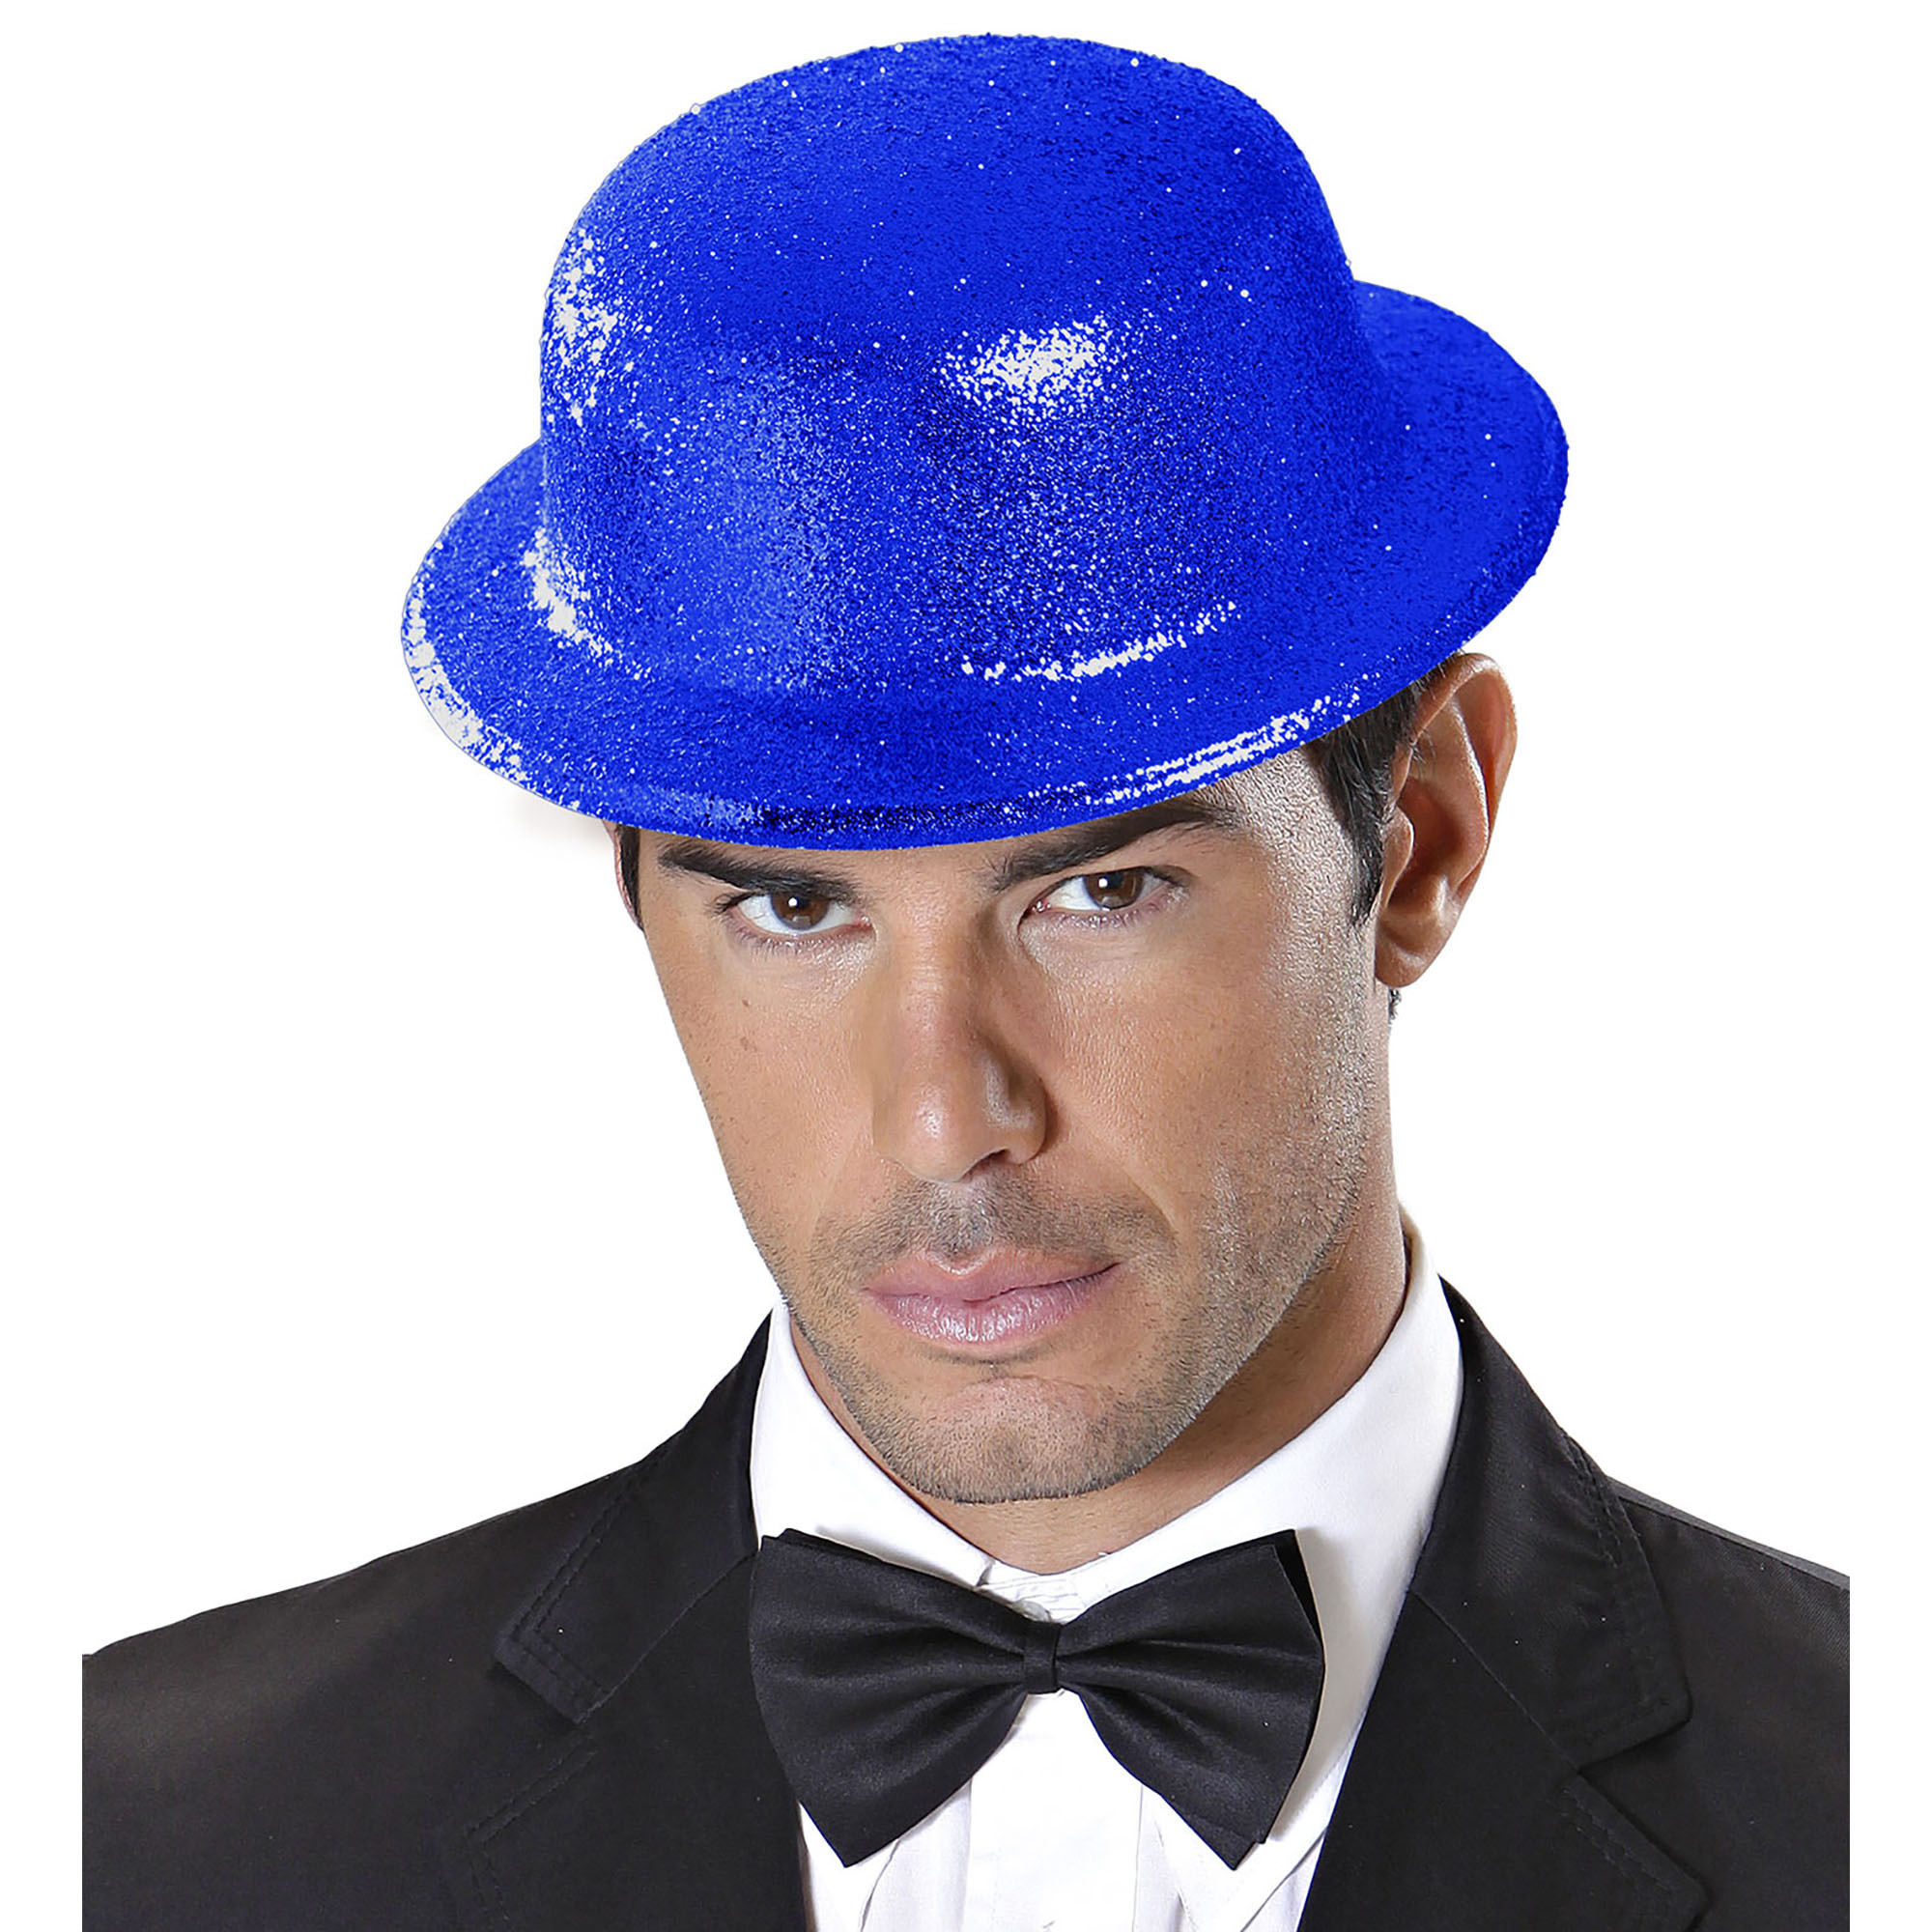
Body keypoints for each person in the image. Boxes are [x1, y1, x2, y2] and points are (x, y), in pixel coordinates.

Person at [84, 34, 1848, 1930]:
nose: (944, 1118)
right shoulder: (148, 1836)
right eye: (791, 907)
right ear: (636, 897)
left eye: (1100, 890)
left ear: (1416, 838)